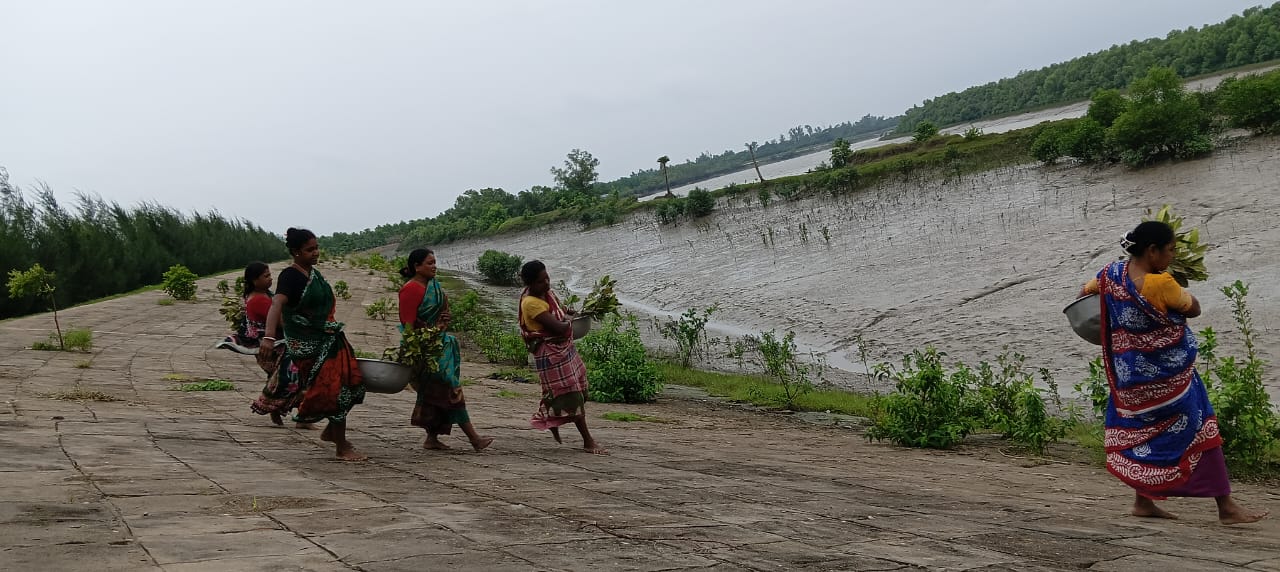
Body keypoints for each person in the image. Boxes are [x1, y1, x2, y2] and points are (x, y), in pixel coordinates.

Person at [1080, 220, 1265, 524]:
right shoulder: (1160, 283)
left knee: (1142, 435)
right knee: (1203, 429)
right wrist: (1171, 285)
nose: (1172, 256)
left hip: (1131, 381)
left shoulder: (1109, 273)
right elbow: (1193, 308)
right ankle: (1226, 507)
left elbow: (1085, 294)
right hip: (1169, 381)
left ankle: (1143, 502)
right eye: (1170, 250)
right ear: (1152, 251)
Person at [258, 228, 368, 461]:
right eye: (310, 250)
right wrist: (268, 336)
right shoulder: (290, 276)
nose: (315, 253)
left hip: (328, 339)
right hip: (307, 345)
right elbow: (276, 304)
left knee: (352, 384)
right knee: (334, 390)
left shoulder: (314, 275)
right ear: (296, 252)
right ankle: (341, 446)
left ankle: (332, 432)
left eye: (316, 248)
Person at [398, 248, 493, 452]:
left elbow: (444, 310)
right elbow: (407, 324)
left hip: (441, 343)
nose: (434, 266)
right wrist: (430, 332)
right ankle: (474, 438)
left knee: (434, 392)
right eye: (429, 263)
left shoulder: (434, 285)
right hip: (424, 349)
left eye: (435, 262)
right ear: (417, 266)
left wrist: (444, 320)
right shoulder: (410, 289)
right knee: (450, 388)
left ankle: (432, 438)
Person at [518, 260, 606, 455]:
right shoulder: (530, 303)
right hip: (551, 355)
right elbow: (558, 326)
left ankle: (551, 420)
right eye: (541, 281)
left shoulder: (547, 294)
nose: (547, 283)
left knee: (581, 390)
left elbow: (564, 311)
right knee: (571, 394)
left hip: (565, 350)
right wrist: (571, 321)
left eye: (547, 278)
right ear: (530, 284)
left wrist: (579, 313)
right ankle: (588, 441)